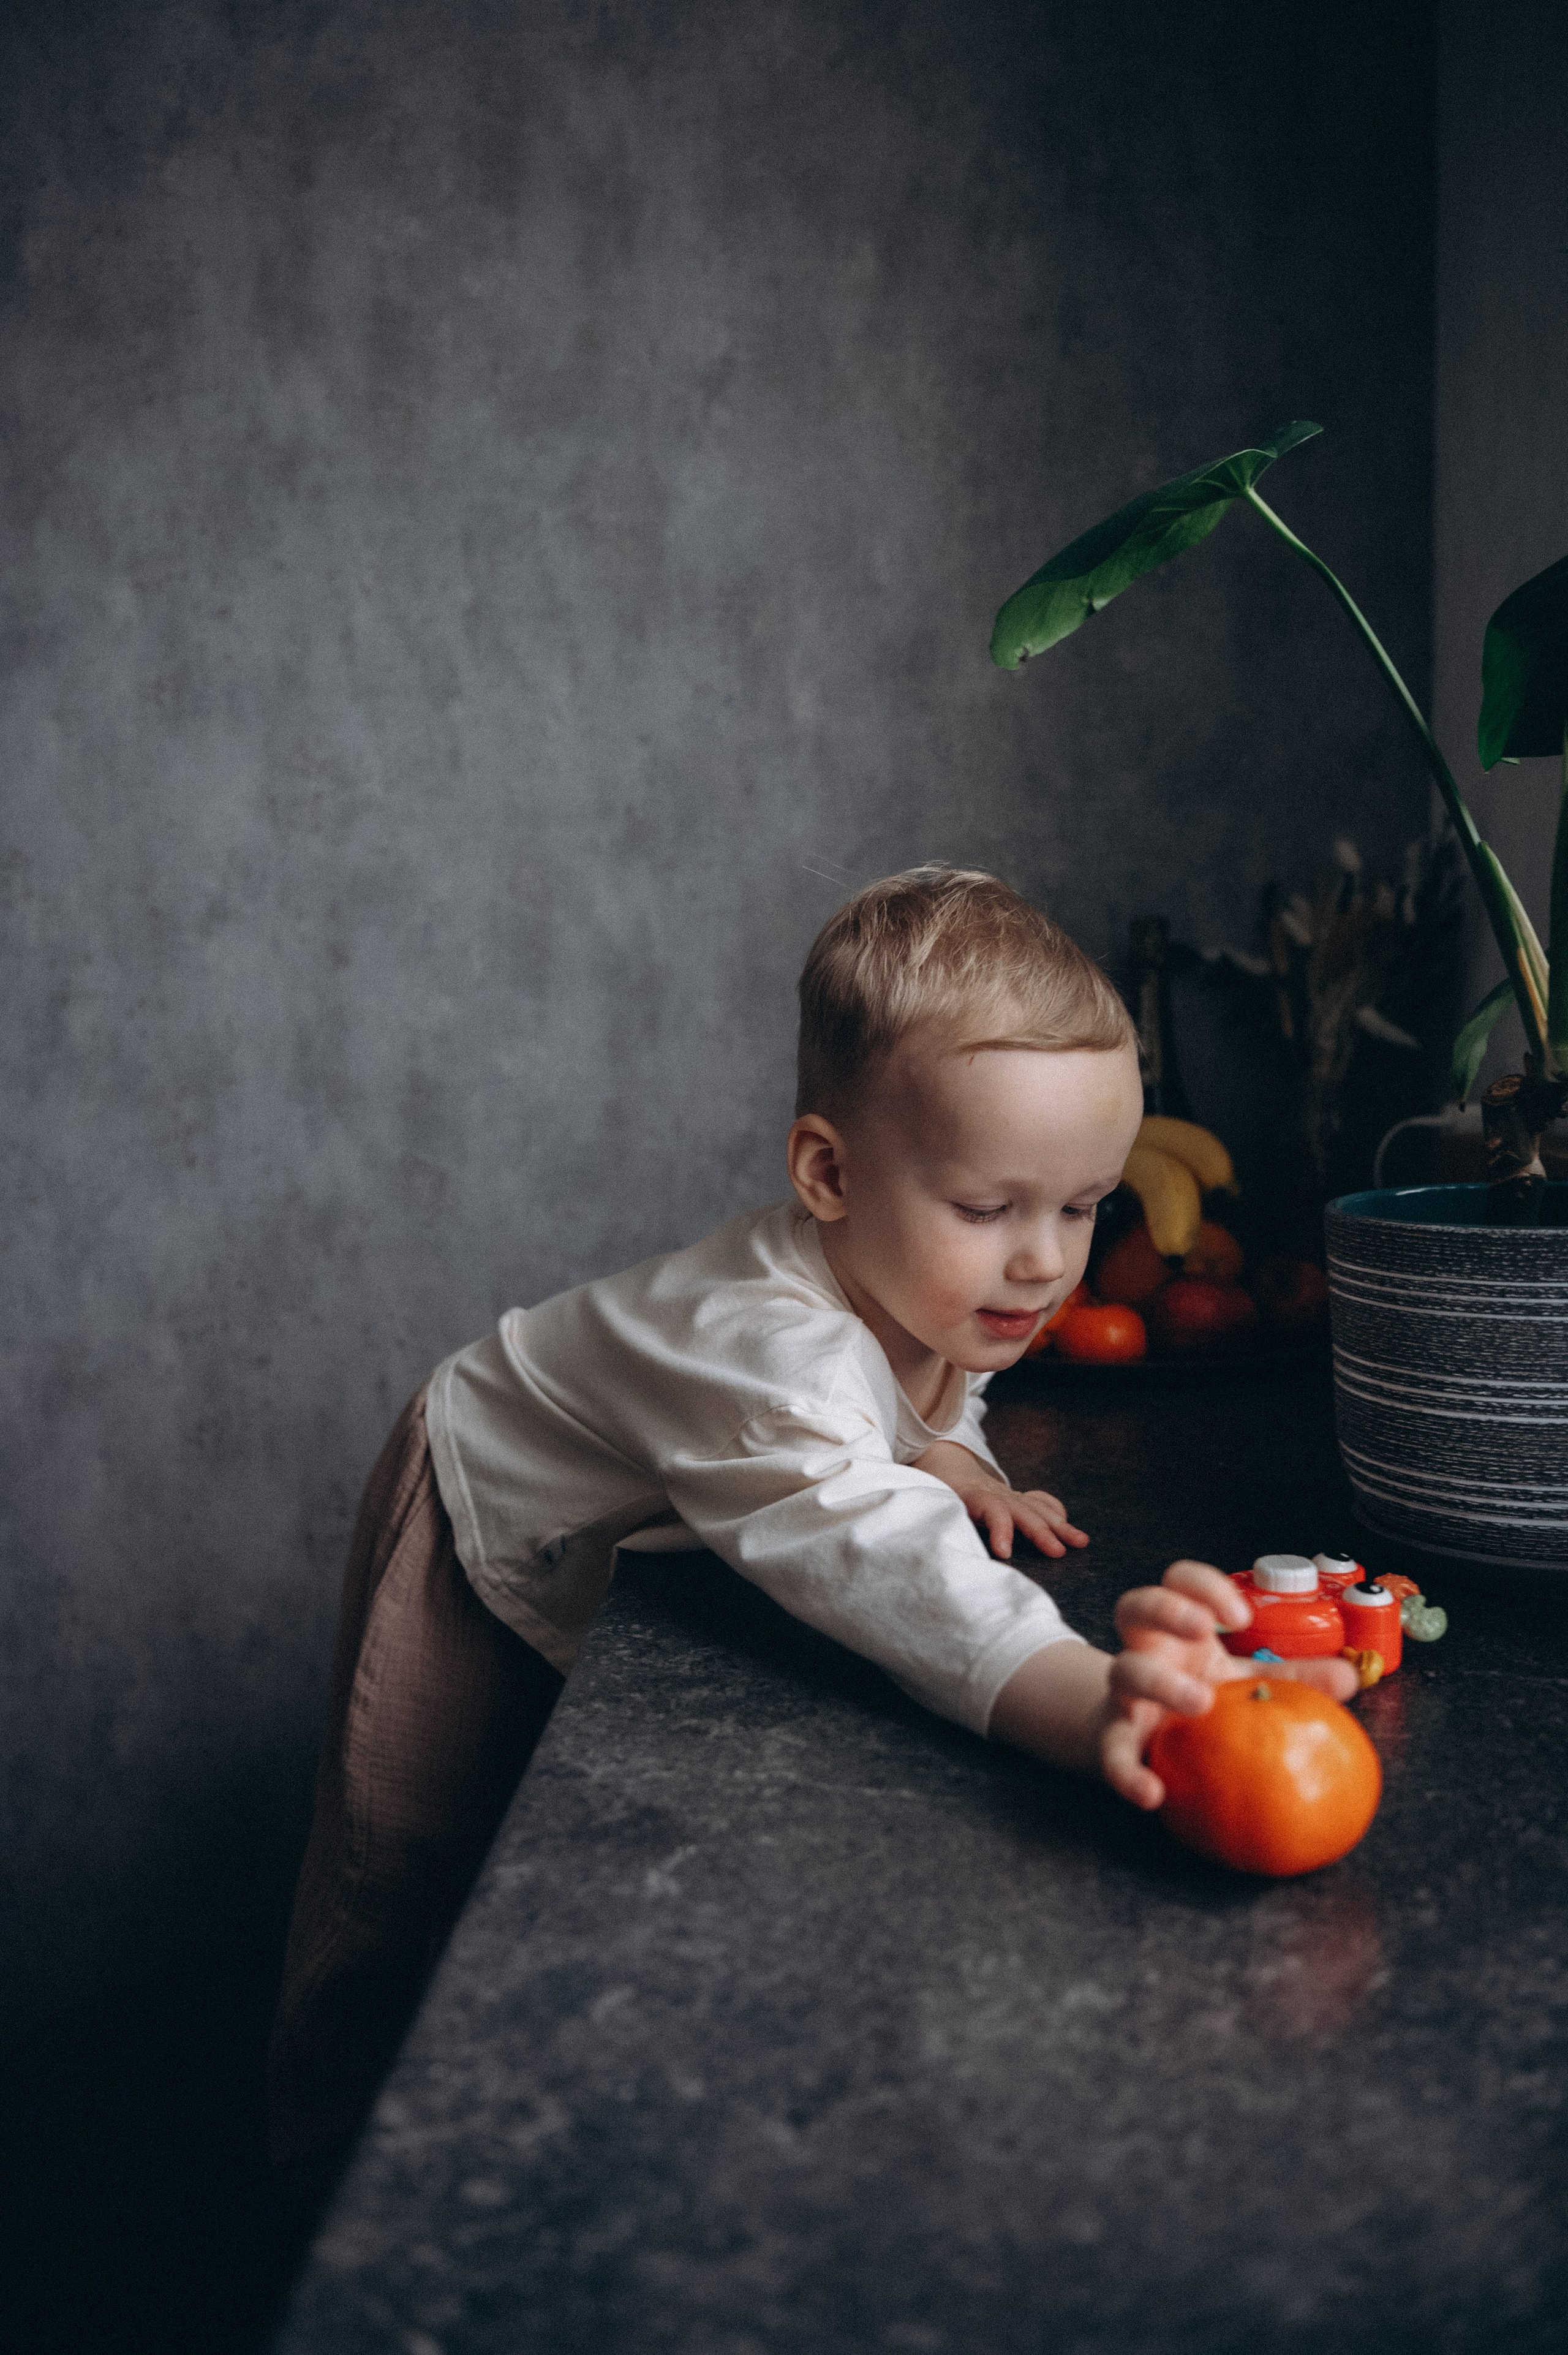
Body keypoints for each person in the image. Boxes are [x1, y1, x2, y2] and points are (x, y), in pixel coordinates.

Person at [268, 866, 1354, 2186]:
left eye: (1082, 1205)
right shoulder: (770, 1359)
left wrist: (951, 1447)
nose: (1043, 1262)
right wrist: (1089, 1699)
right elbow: (890, 1565)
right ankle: (320, 2182)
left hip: (653, 1490)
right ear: (826, 1173)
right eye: (988, 1207)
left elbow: (949, 1366)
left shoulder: (937, 1271)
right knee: (406, 1859)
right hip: (473, 1494)